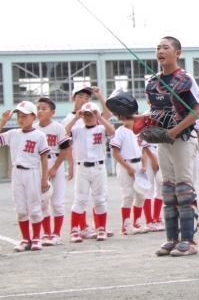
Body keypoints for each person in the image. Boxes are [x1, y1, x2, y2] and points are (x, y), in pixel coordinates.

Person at [145, 36, 199, 257]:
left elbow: (198, 111)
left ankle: (189, 240)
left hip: (182, 139)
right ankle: (172, 239)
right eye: (158, 48)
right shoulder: (153, 81)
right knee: (168, 190)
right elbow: (153, 112)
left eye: (165, 47)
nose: (160, 51)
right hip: (163, 141)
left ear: (177, 53)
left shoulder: (185, 79)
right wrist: (136, 119)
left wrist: (173, 131)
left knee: (184, 189)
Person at [61, 84, 112, 238]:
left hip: (97, 164)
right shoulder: (72, 120)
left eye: (87, 97)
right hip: (80, 161)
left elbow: (108, 119)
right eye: (80, 96)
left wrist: (100, 97)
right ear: (73, 98)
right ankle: (80, 227)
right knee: (80, 198)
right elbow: (65, 140)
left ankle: (99, 227)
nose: (84, 100)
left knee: (99, 198)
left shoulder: (99, 124)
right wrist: (70, 165)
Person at [0, 102, 50, 252]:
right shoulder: (13, 134)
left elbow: (44, 158)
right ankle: (25, 239)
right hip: (17, 173)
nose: (20, 119)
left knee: (34, 206)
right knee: (20, 207)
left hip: (32, 172)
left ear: (33, 117)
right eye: (18, 116)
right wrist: (3, 121)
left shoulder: (39, 135)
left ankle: (36, 238)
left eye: (24, 116)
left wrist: (44, 179)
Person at [34, 97, 72, 246]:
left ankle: (56, 234)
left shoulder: (57, 127)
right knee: (42, 202)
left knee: (56, 202)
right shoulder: (34, 128)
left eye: (44, 108)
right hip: (39, 164)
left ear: (52, 112)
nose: (40, 111)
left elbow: (65, 148)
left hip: (55, 161)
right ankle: (46, 233)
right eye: (38, 108)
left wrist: (55, 167)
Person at [110, 115, 152, 234]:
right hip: (126, 165)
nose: (124, 118)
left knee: (141, 195)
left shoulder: (139, 132)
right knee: (128, 195)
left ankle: (137, 223)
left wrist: (144, 165)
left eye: (127, 116)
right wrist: (127, 167)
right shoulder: (119, 132)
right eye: (122, 116)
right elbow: (115, 153)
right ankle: (126, 226)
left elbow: (144, 149)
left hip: (138, 165)